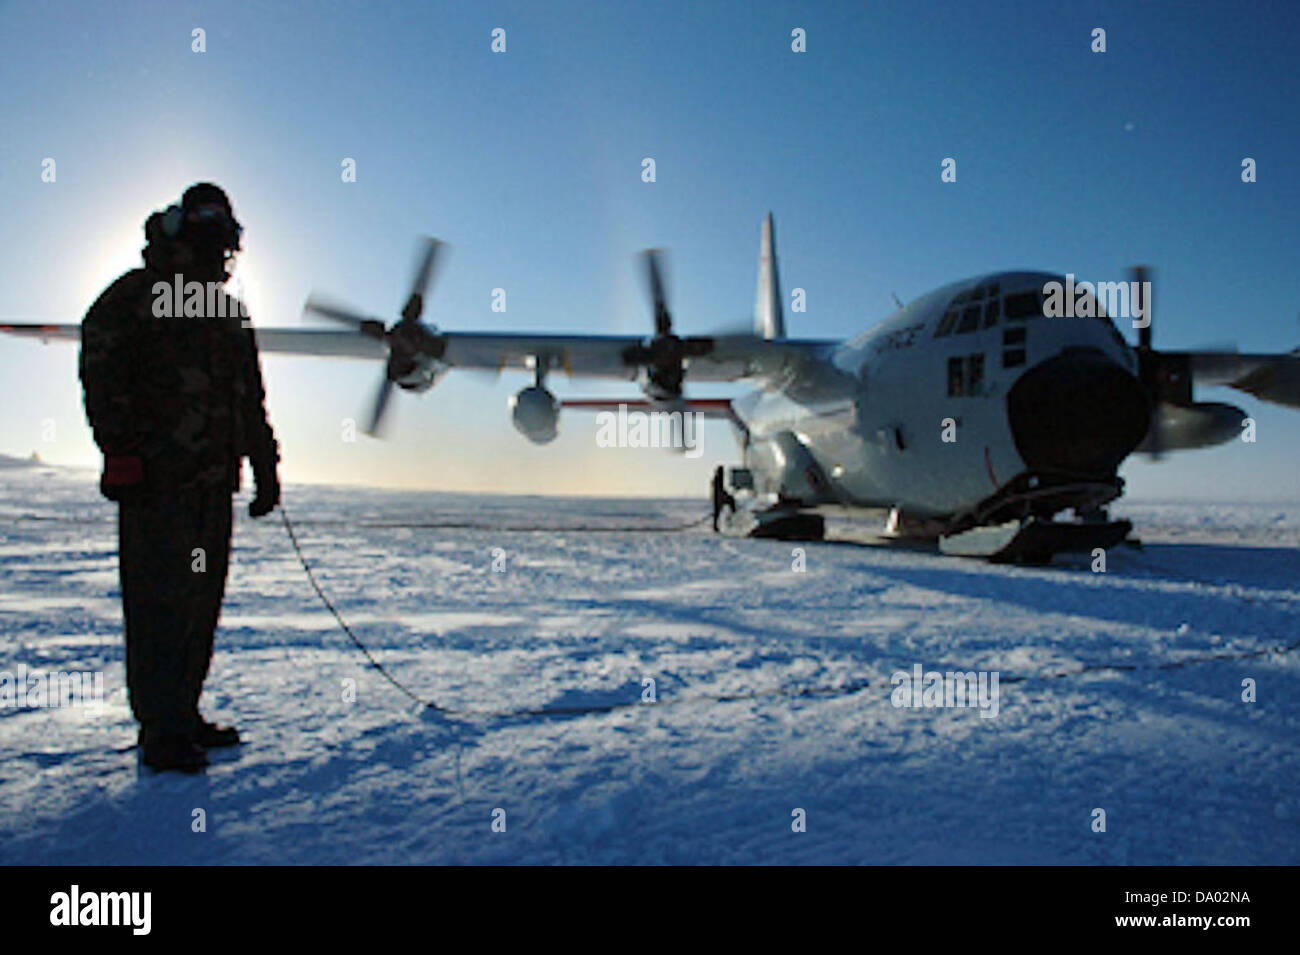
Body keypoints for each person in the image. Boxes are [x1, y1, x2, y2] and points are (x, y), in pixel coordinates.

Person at [79, 183, 280, 773]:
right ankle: (160, 730)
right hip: (157, 486)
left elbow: (250, 396)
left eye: (222, 219)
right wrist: (119, 449)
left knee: (199, 601)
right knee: (158, 602)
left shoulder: (226, 310)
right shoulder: (138, 295)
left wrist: (264, 464)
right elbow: (99, 363)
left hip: (212, 487)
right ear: (179, 224)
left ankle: (182, 713)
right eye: (204, 217)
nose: (216, 230)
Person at [711, 464, 736, 532]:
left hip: (718, 498)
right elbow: (719, 490)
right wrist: (724, 495)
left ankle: (716, 526)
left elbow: (720, 489)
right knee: (717, 513)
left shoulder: (717, 478)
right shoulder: (717, 479)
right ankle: (716, 526)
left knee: (717, 513)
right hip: (718, 498)